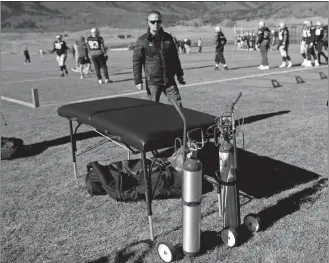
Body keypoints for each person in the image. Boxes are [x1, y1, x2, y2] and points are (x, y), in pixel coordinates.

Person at [133, 10, 186, 107]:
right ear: (148, 22)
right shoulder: (142, 40)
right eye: (153, 22)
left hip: (169, 80)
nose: (156, 24)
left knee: (178, 107)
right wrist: (138, 80)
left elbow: (175, 57)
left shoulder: (168, 38)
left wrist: (179, 74)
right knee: (153, 109)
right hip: (153, 82)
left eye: (158, 21)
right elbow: (137, 61)